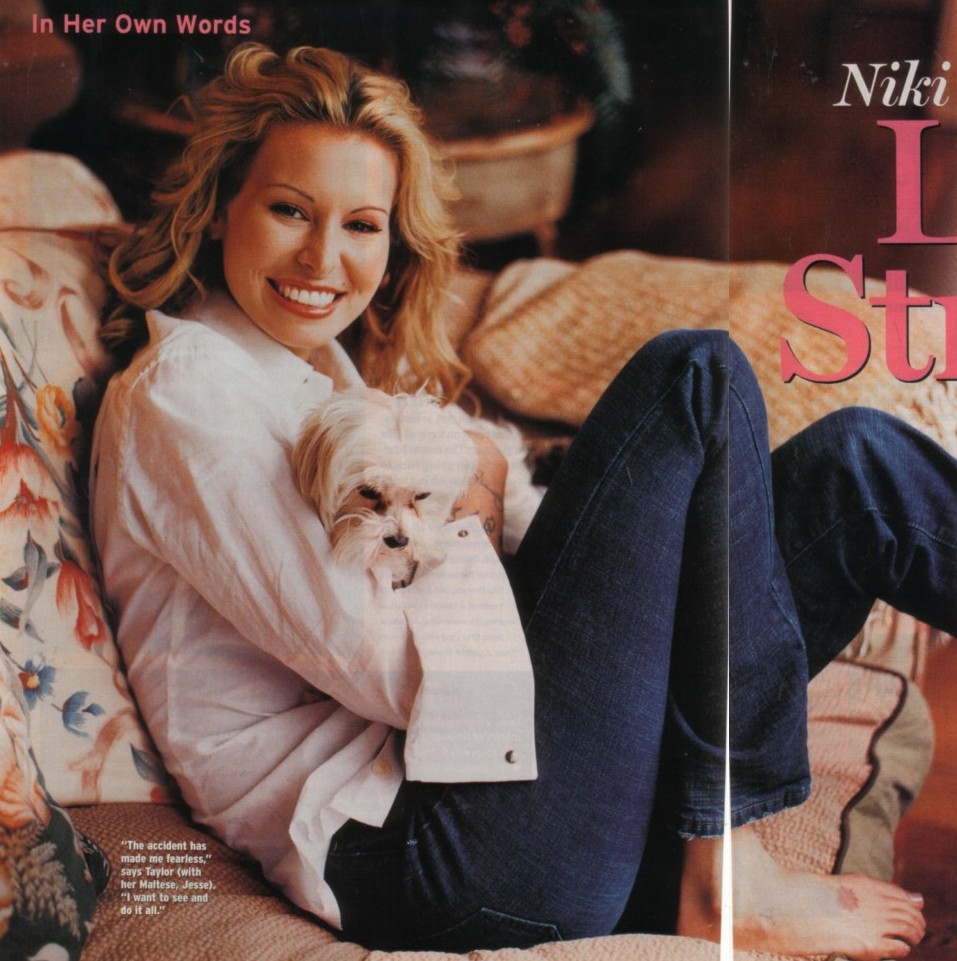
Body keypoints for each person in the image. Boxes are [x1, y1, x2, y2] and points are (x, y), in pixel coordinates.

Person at [91, 43, 948, 959]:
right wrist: (482, 498)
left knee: (854, 467)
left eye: (361, 225)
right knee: (693, 378)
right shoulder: (189, 394)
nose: (322, 257)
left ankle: (711, 851)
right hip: (434, 851)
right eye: (289, 209)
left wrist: (556, 517)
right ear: (222, 206)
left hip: (513, 784)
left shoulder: (320, 376)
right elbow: (389, 666)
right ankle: (729, 874)